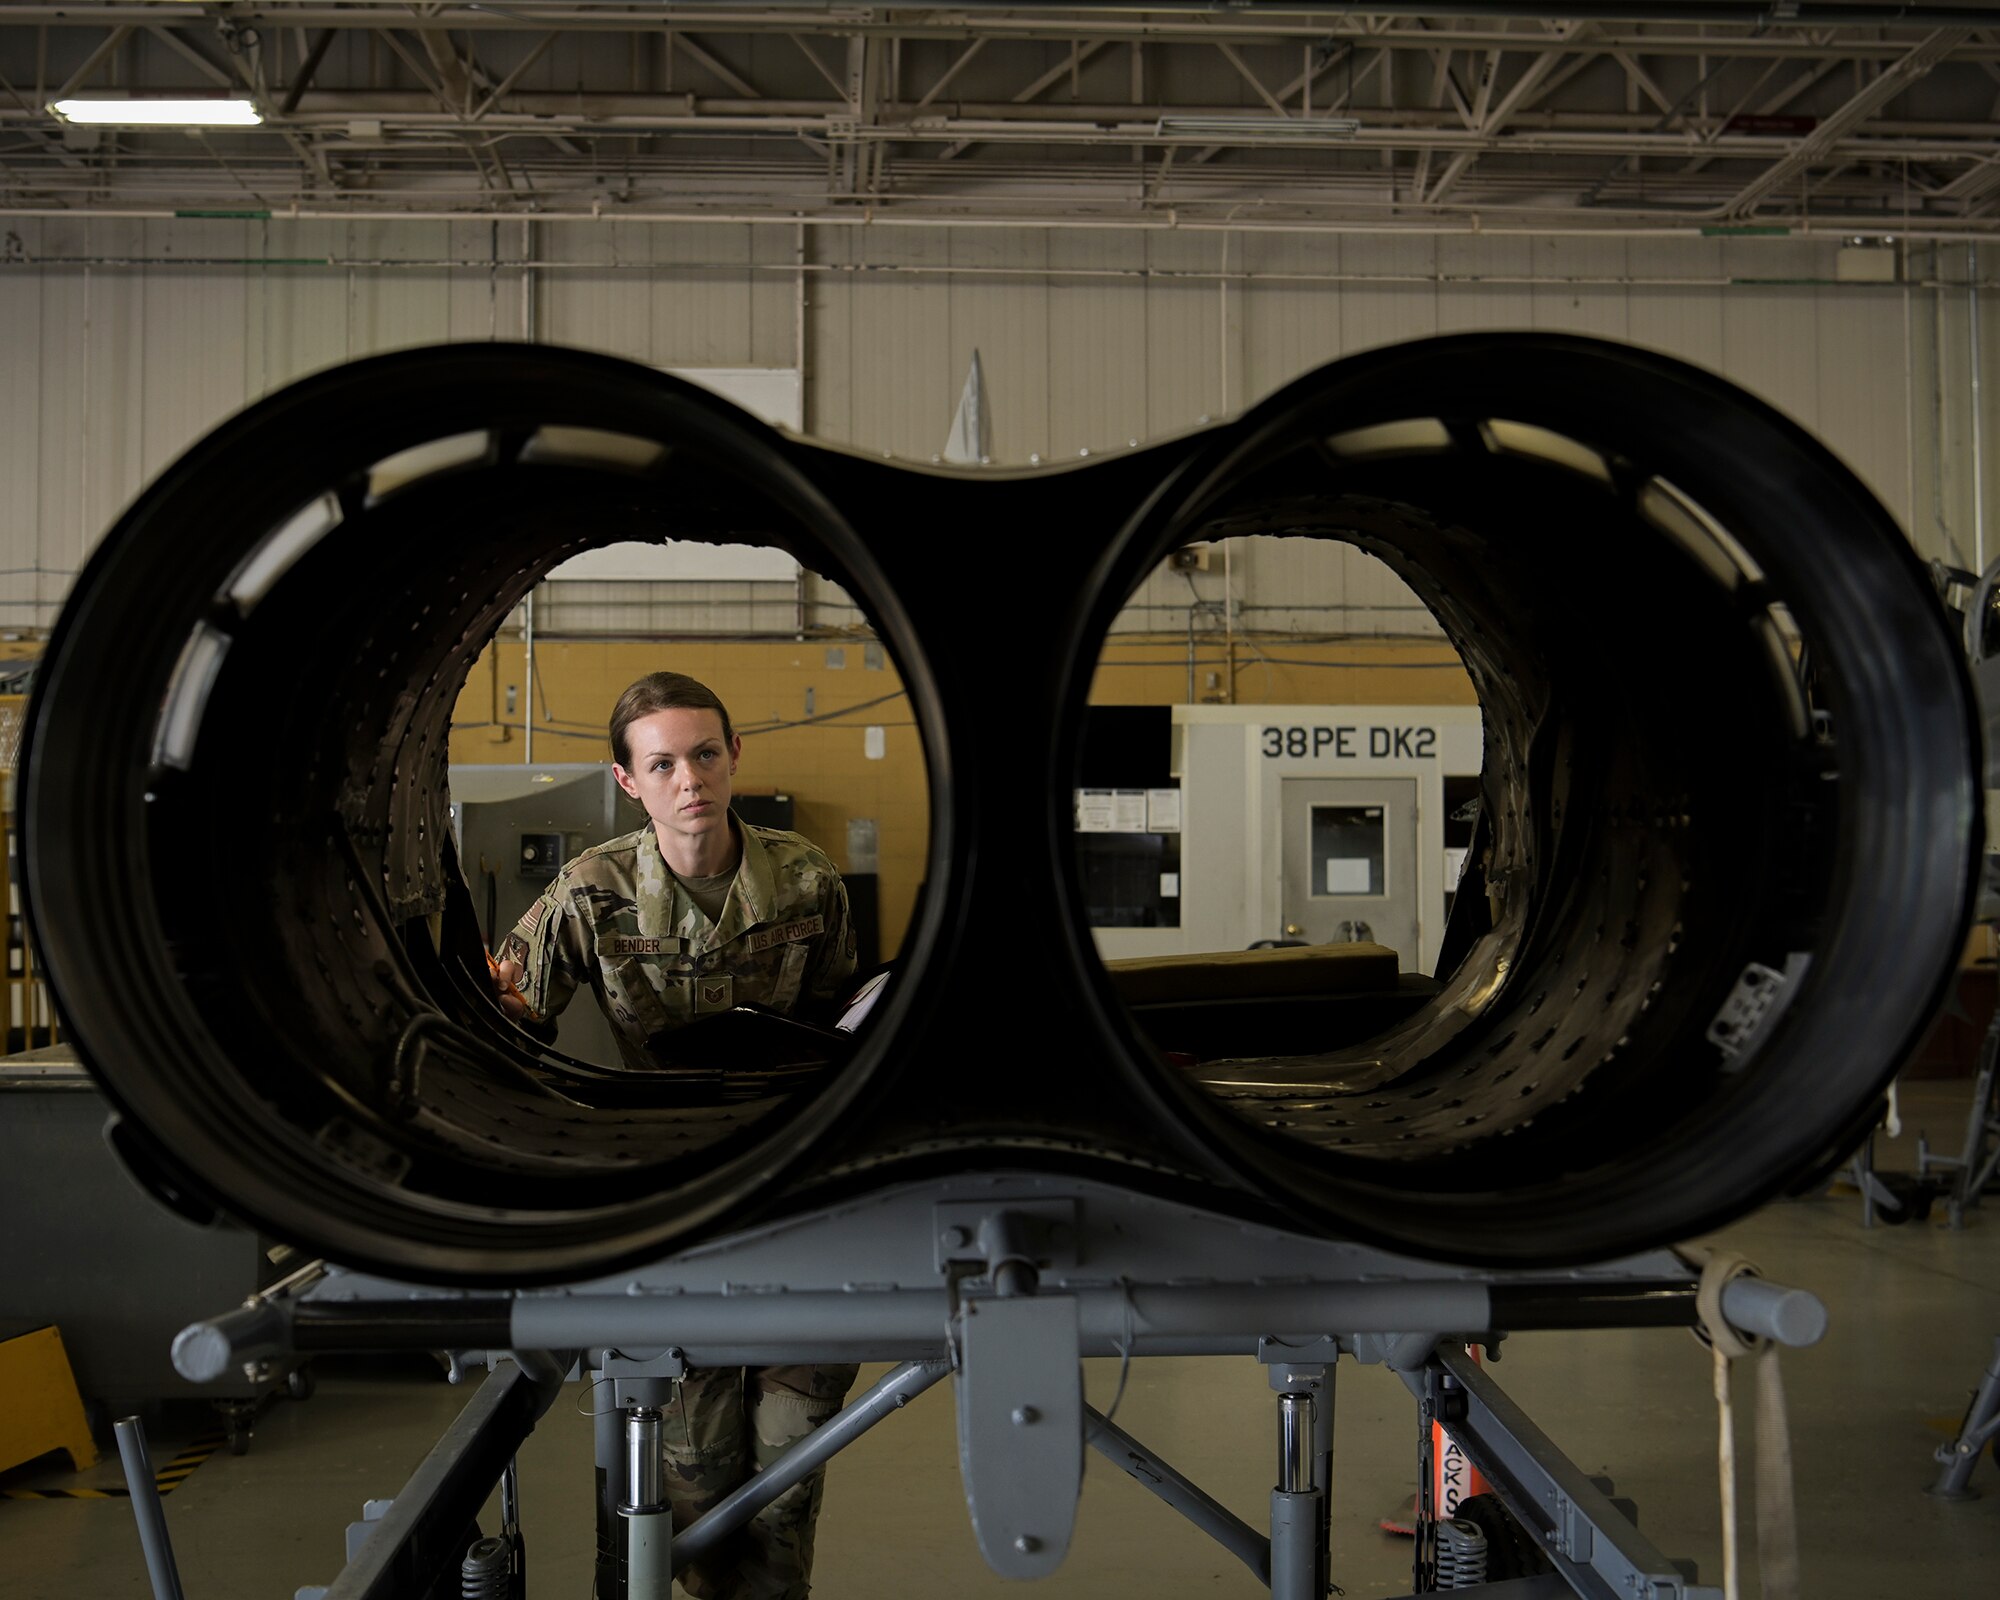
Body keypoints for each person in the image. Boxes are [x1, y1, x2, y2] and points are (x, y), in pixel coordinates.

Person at [493, 669, 858, 1600]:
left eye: (704, 754)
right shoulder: (592, 891)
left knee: (786, 1486)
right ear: (628, 781)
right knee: (693, 1484)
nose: (688, 779)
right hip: (675, 1204)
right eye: (662, 764)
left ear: (734, 756)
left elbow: (845, 1033)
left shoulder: (807, 879)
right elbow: (508, 1021)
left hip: (797, 1195)